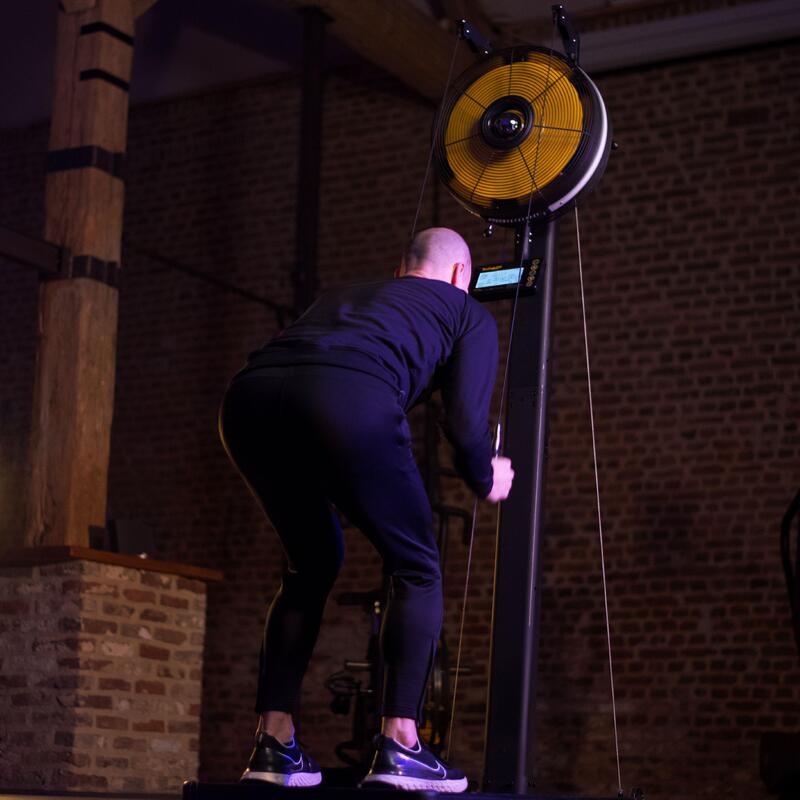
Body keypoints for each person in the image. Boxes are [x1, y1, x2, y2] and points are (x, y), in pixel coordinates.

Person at [219, 227, 514, 792]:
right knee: (417, 566)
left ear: (402, 271)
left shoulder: (344, 296)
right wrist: (486, 475)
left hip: (248, 402)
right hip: (346, 399)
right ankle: (402, 745)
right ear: (461, 277)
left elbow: (323, 369)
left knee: (312, 562)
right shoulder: (465, 310)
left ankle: (273, 745)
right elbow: (465, 424)